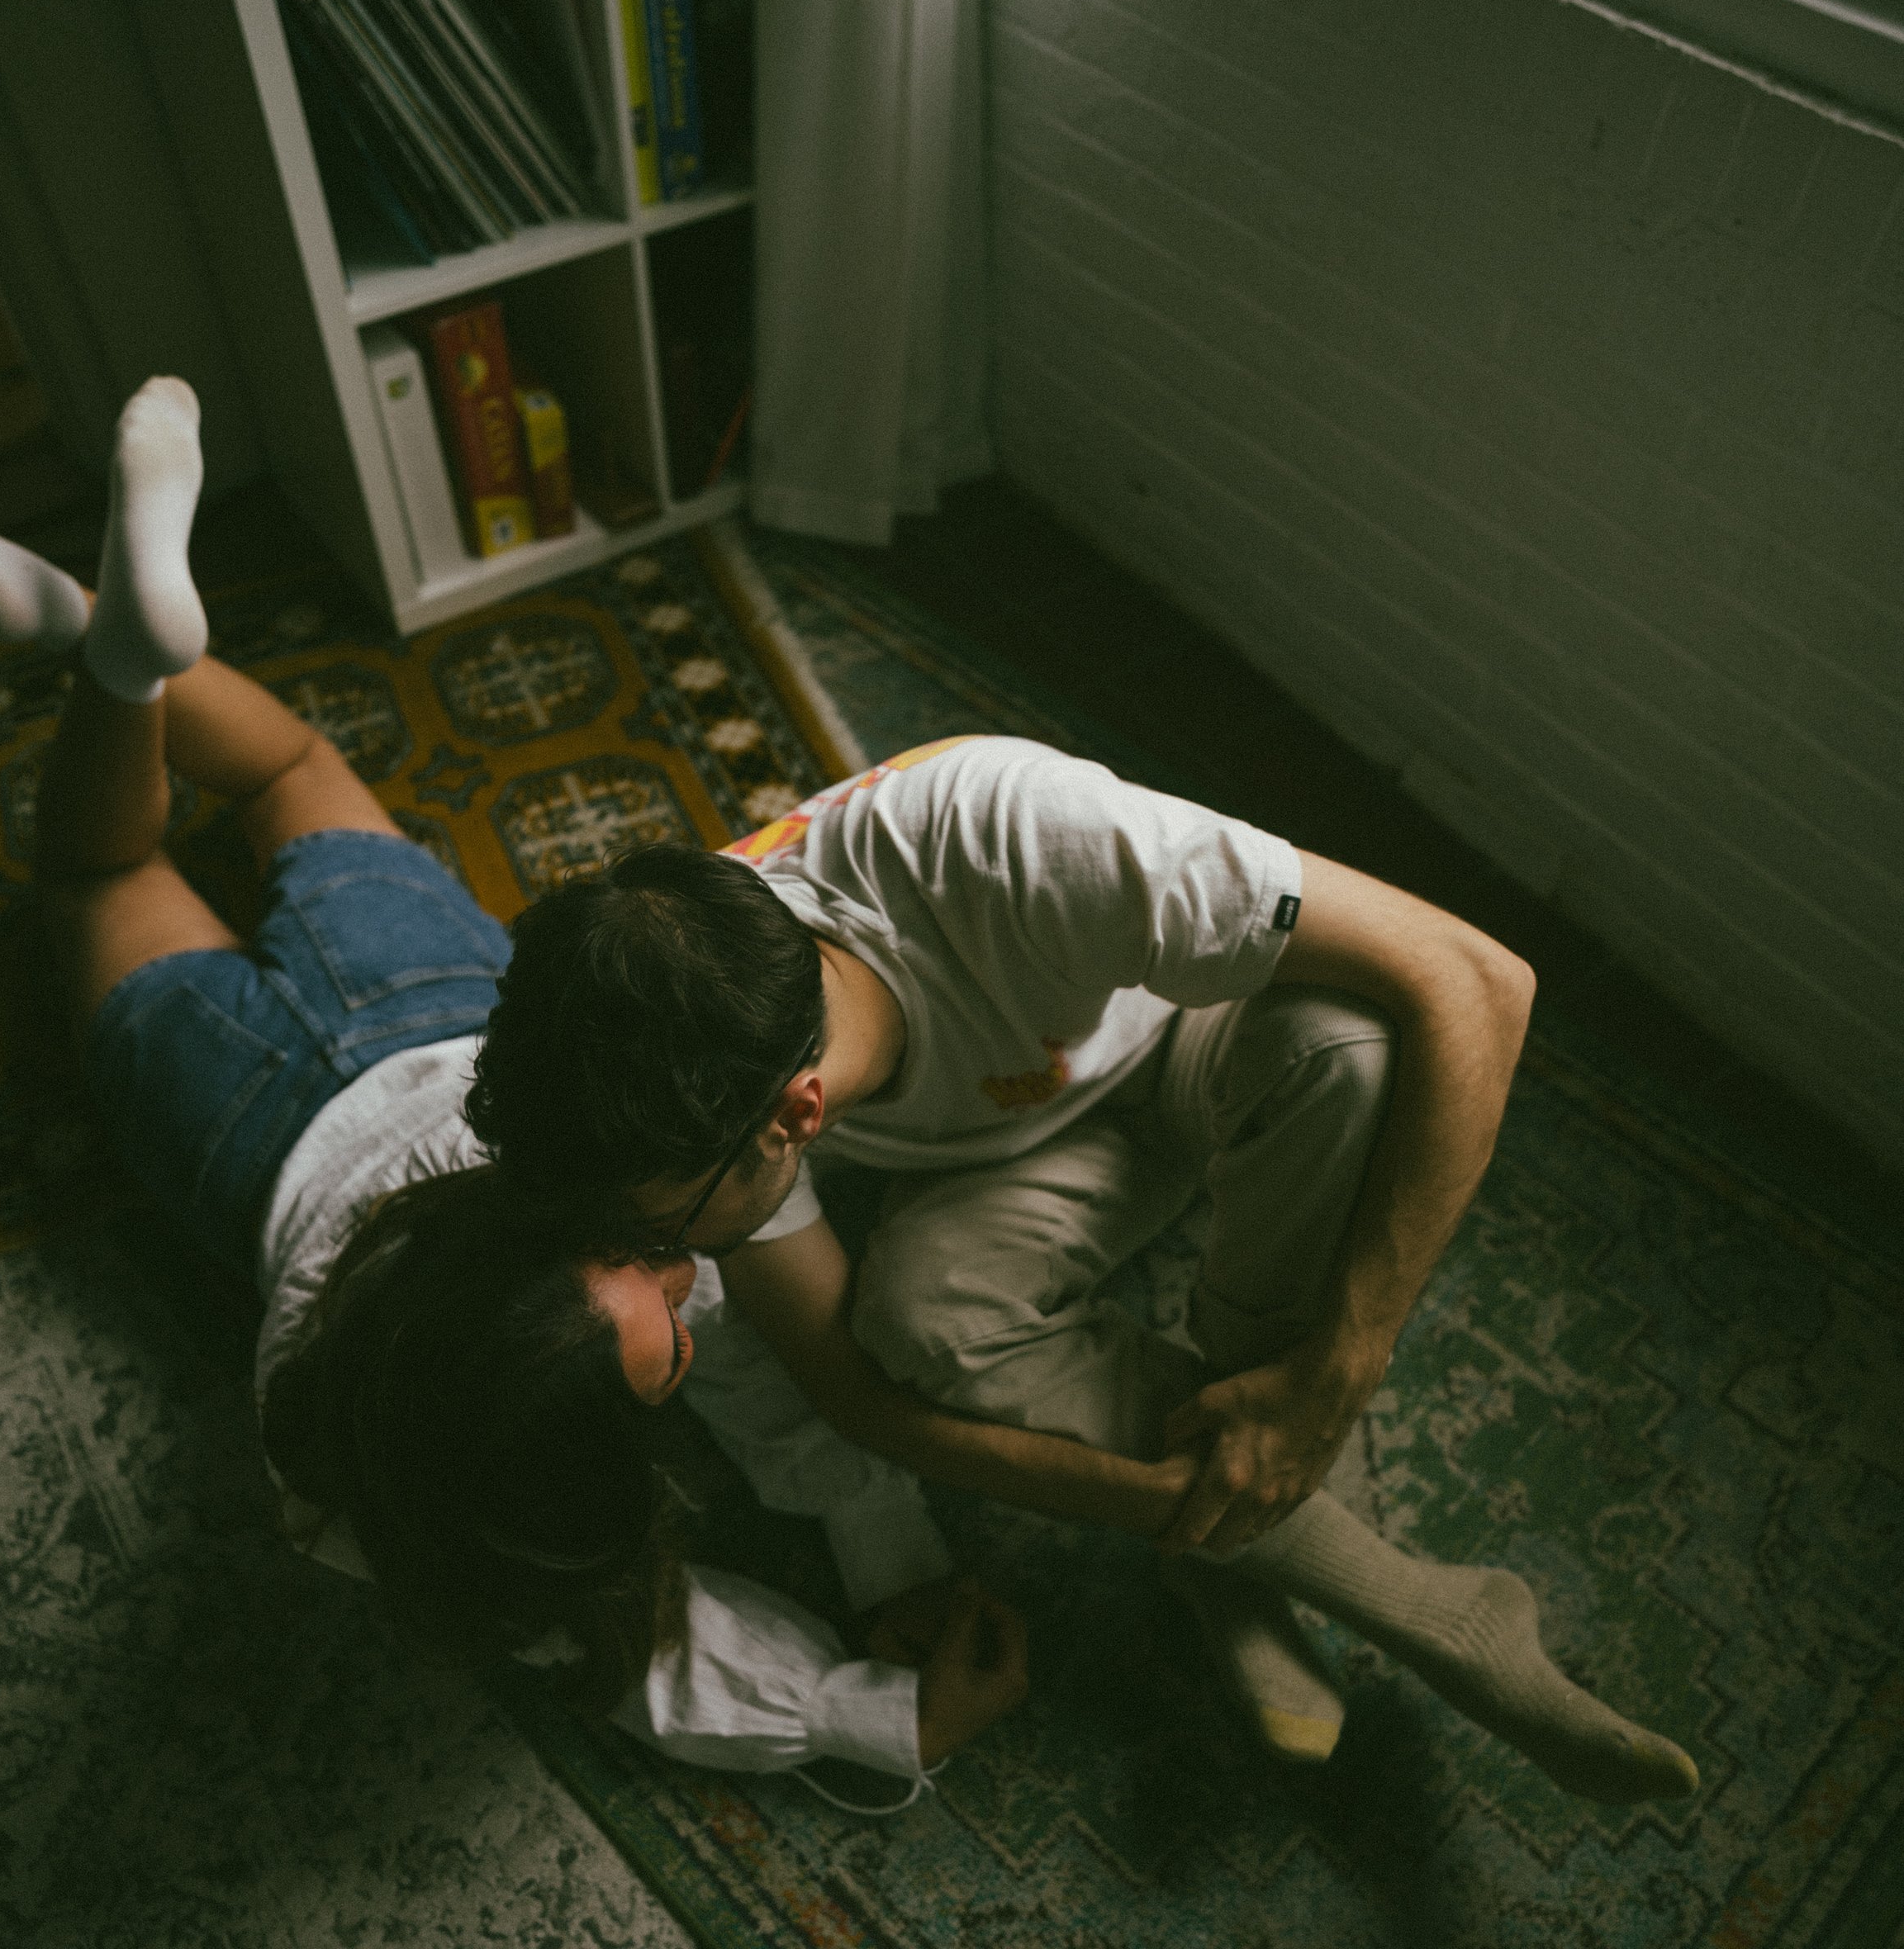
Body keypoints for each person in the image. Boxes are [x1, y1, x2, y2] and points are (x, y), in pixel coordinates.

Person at [0, 383, 1046, 1796]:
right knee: (188, 826)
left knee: (194, 816)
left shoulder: (607, 1238)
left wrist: (874, 1651)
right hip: (279, 1113)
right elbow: (626, 1642)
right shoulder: (368, 1486)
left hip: (382, 1043)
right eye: (671, 1312)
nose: (692, 1292)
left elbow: (654, 1622)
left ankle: (116, 642)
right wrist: (869, 1646)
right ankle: (103, 648)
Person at [465, 739, 1702, 1809]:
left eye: (672, 1229)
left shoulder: (1008, 833)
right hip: (1012, 1172)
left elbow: (1481, 980)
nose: (668, 1268)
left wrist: (1335, 1373)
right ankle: (1384, 1590)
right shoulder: (685, 1041)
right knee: (915, 1317)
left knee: (1349, 1050)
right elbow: (854, 1398)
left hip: (1185, 1044)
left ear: (796, 1115)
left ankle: (1263, 1481)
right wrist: (1179, 1508)